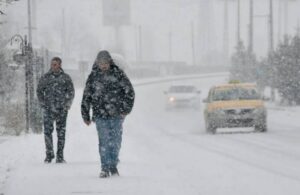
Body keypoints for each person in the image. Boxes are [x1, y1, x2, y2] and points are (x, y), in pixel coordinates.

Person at [81, 50, 135, 178]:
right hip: (100, 115)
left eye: (105, 62)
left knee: (115, 141)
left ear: (110, 62)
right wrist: (85, 114)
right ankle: (105, 167)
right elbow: (86, 96)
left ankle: (113, 165)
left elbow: (130, 93)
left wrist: (125, 110)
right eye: (101, 63)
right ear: (97, 63)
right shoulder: (93, 76)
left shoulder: (119, 75)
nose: (103, 65)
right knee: (104, 141)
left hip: (116, 115)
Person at [37, 57, 75, 163]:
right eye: (52, 64)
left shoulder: (66, 78)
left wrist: (67, 104)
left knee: (61, 133)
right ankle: (49, 154)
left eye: (55, 64)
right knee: (47, 132)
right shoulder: (45, 77)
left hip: (61, 109)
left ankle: (60, 156)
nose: (53, 66)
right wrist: (43, 104)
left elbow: (71, 92)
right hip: (48, 109)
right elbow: (39, 91)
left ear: (60, 65)